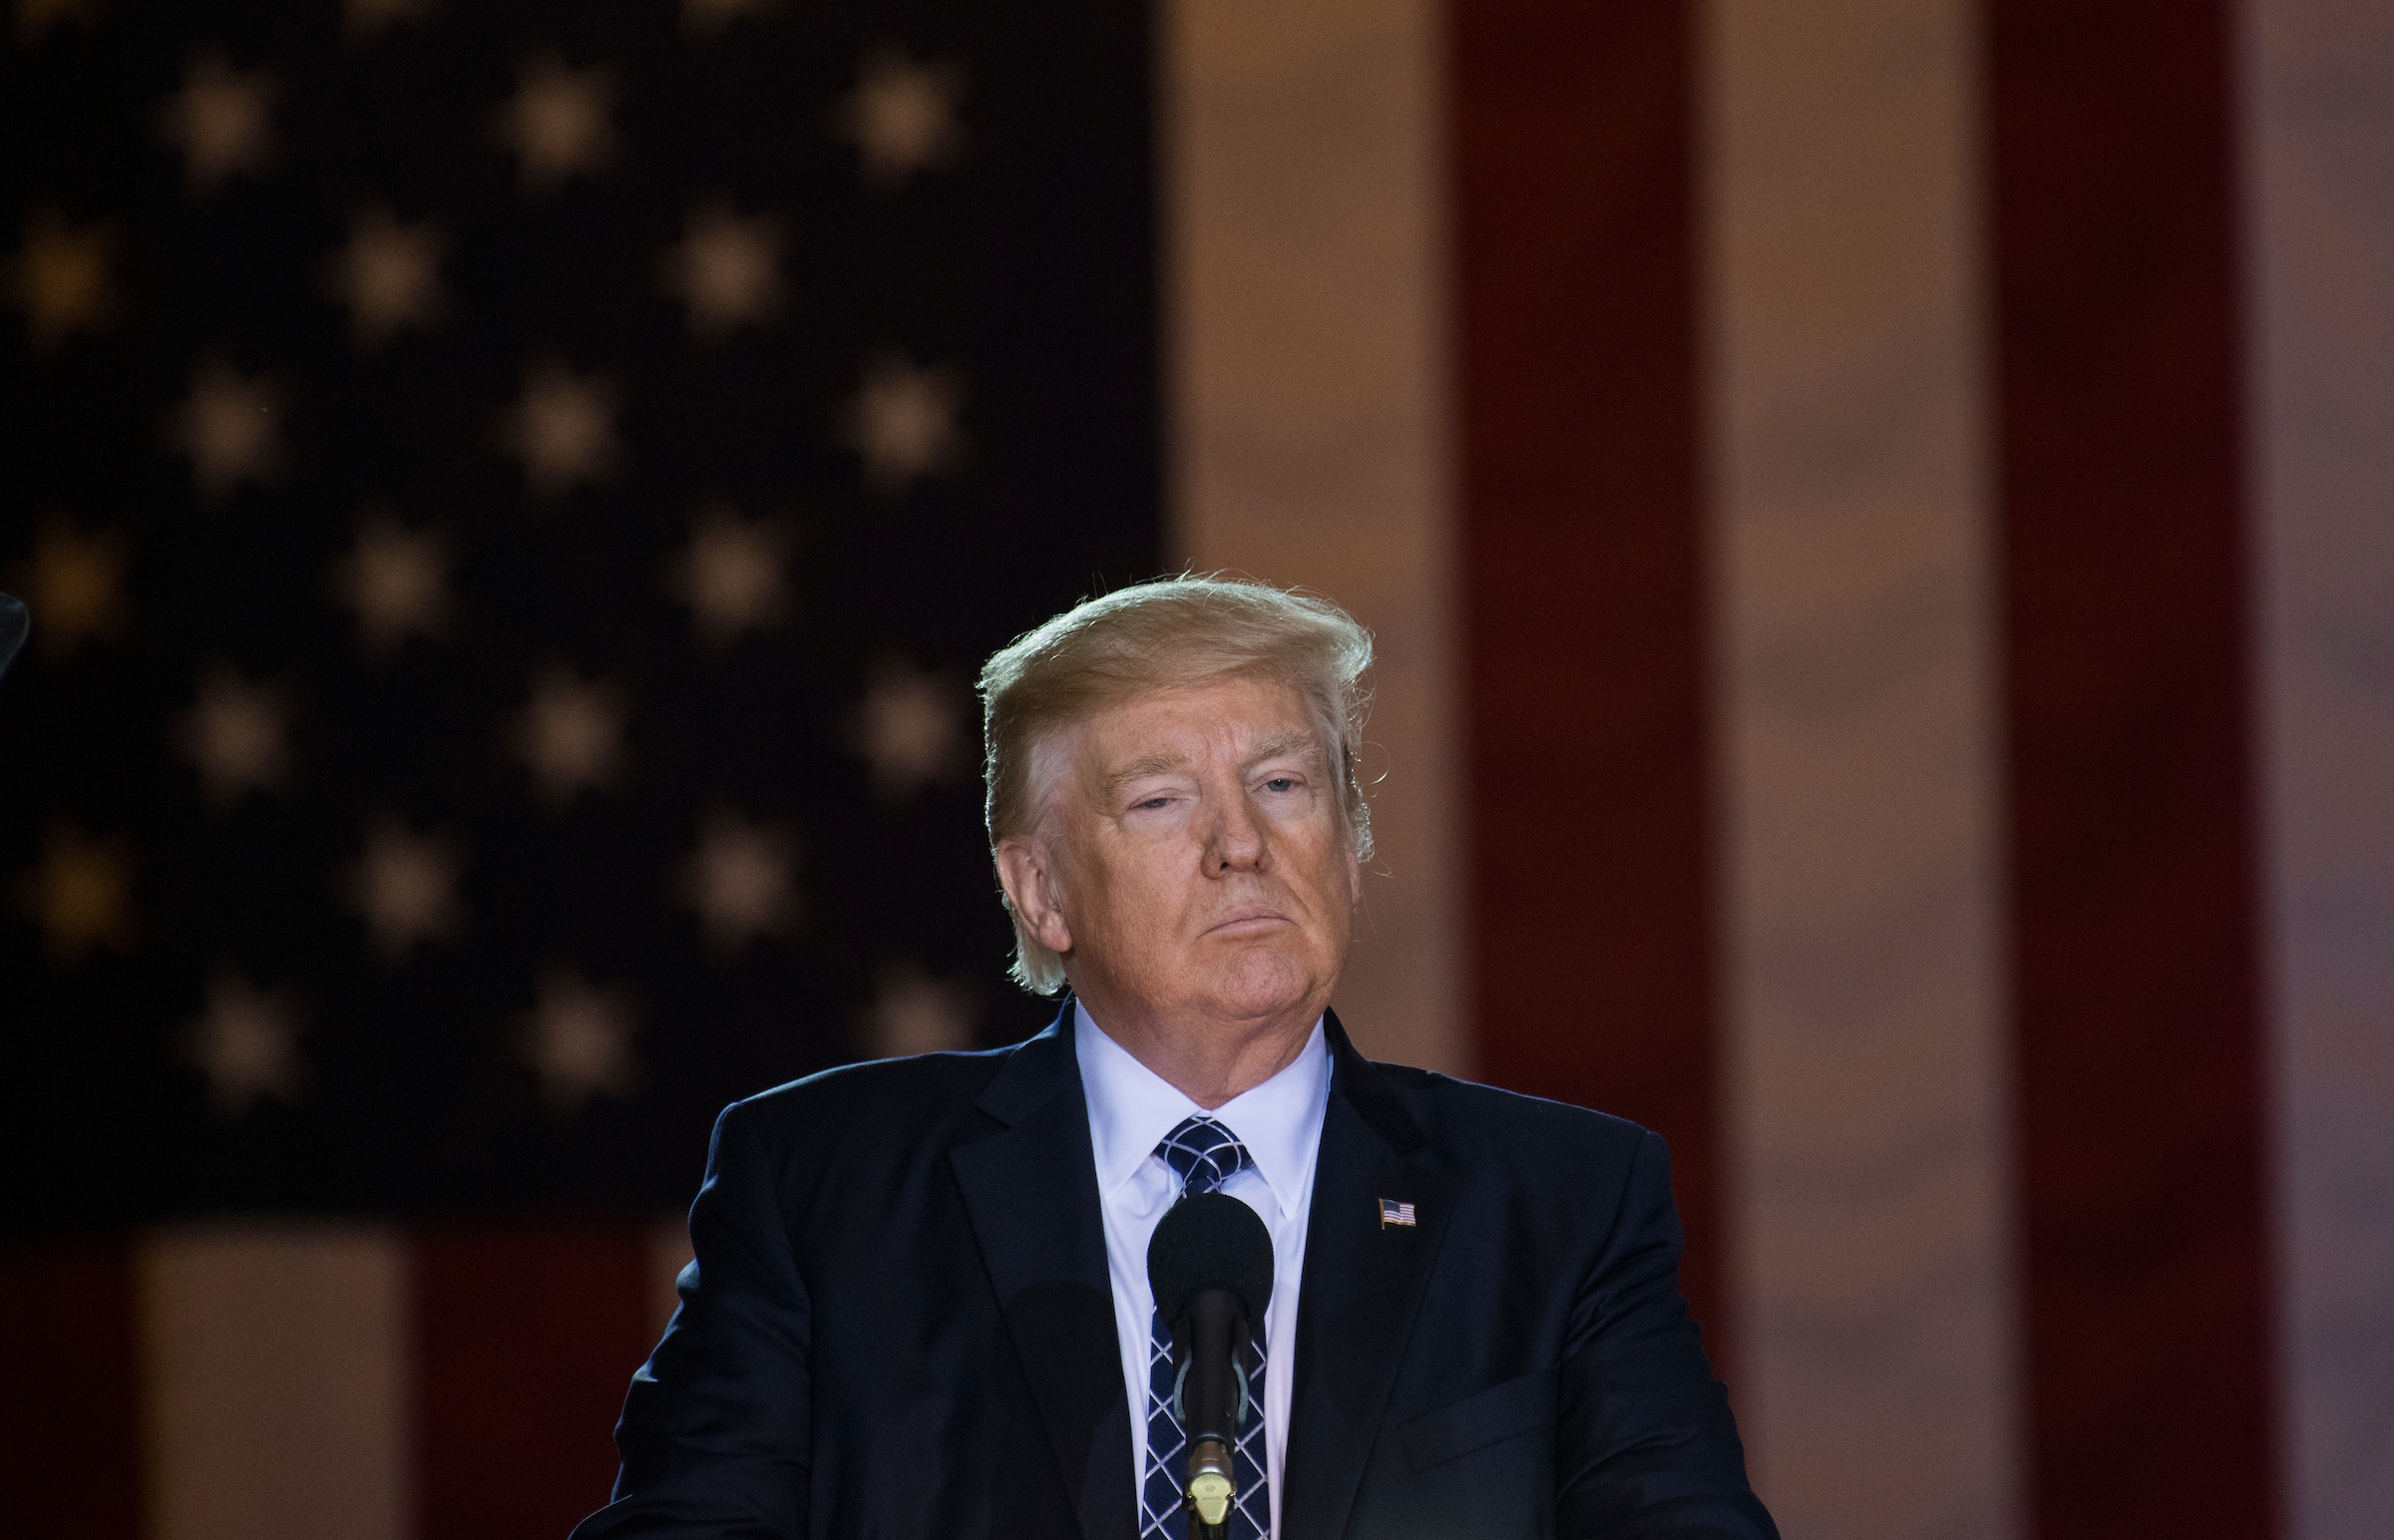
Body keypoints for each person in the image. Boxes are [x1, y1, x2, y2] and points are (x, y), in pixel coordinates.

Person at [573, 578, 1778, 1540]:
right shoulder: (822, 1188)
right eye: (1160, 801)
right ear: (1040, 890)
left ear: (1350, 843)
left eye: (1283, 783)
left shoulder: (1562, 1205)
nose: (1241, 844)